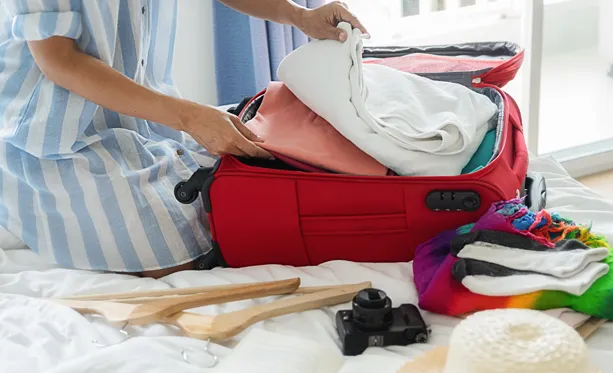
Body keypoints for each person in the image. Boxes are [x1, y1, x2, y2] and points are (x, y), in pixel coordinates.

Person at [0, 1, 367, 278]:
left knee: (239, 198)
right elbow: (59, 60)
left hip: (143, 115)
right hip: (51, 131)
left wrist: (298, 16)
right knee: (172, 248)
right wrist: (189, 116)